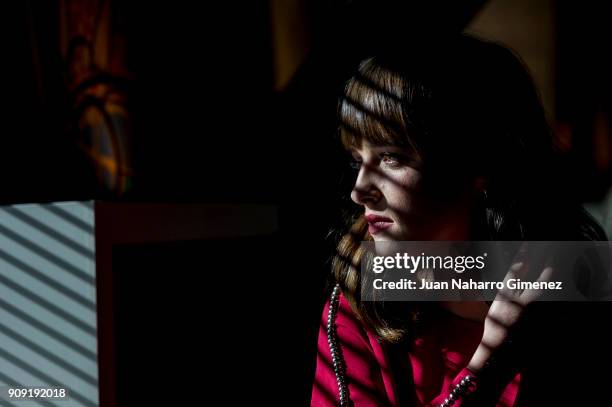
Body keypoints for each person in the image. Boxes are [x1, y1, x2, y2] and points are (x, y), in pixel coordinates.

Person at [311, 33, 609, 406]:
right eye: (357, 160)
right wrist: (487, 366)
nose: (359, 190)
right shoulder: (361, 305)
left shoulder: (575, 287)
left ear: (477, 163)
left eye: (391, 157)